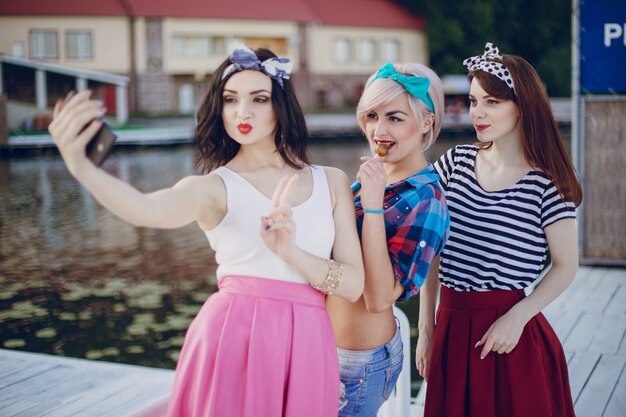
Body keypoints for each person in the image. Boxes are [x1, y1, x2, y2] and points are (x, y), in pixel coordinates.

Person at [48, 45, 364, 417]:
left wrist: (291, 252)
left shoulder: (332, 181)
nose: (242, 112)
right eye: (230, 99)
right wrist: (83, 169)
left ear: (281, 105)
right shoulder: (214, 187)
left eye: (258, 99)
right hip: (234, 336)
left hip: (310, 341)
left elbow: (353, 284)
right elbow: (146, 209)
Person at [416, 42, 582, 417]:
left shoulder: (548, 183)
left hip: (509, 334)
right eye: (474, 101)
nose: (478, 112)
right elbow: (432, 250)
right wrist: (426, 327)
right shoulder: (454, 163)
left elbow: (566, 266)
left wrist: (519, 316)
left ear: (522, 105)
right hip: (451, 326)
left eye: (491, 102)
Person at [326, 62, 450, 417]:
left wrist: (374, 204)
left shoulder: (428, 200)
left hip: (359, 366)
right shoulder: (373, 180)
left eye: (395, 118)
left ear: (426, 122)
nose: (378, 130)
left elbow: (380, 297)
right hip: (324, 347)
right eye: (372, 116)